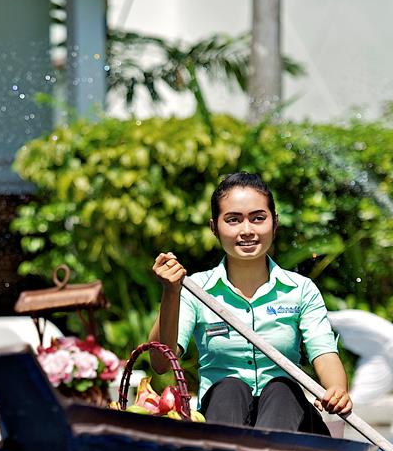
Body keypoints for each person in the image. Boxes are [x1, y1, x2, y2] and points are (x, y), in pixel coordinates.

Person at [148, 171, 351, 434]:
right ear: (214, 227)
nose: (247, 231)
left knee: (282, 388)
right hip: (222, 415)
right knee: (229, 388)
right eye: (233, 220)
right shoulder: (194, 289)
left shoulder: (301, 290)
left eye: (258, 218)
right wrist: (171, 292)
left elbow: (324, 353)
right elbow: (161, 362)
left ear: (275, 223)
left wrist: (337, 390)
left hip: (289, 419)